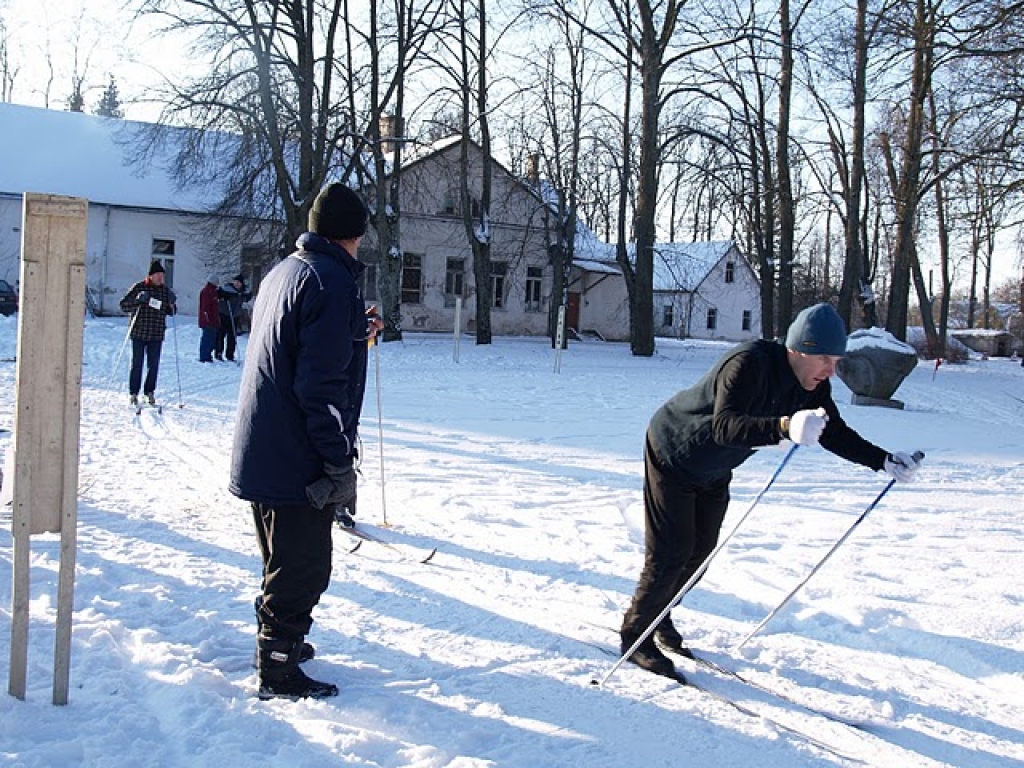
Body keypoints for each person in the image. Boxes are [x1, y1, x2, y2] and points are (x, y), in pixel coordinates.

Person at [619, 303, 923, 680]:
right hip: (675, 451)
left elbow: (834, 433)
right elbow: (726, 427)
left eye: (836, 360)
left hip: (715, 467)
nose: (831, 370)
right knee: (672, 551)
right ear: (797, 349)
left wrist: (883, 461)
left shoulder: (814, 386)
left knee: (699, 553)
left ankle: (658, 618)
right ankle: (636, 634)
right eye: (824, 358)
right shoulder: (748, 363)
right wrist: (783, 426)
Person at [229, 182, 383, 700]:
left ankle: (285, 640)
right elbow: (320, 389)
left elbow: (299, 346)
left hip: (264, 445)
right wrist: (338, 463)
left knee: (282, 558)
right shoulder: (332, 285)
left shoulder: (287, 271)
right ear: (355, 234)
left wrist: (354, 335)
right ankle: (277, 665)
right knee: (304, 566)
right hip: (297, 456)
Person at [119, 260, 177, 407]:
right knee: (137, 364)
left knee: (154, 365)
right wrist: (138, 301)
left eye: (162, 275)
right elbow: (123, 305)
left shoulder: (165, 291)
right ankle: (133, 392)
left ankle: (149, 392)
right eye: (157, 275)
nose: (160, 278)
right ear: (150, 276)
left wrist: (172, 305)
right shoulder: (139, 287)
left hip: (156, 334)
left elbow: (171, 311)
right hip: (139, 332)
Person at [215, 273, 251, 361]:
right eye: (235, 282)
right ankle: (219, 352)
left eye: (238, 282)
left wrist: (247, 296)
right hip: (224, 314)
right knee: (220, 335)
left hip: (235, 316)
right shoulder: (227, 289)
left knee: (232, 336)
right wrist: (222, 295)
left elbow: (247, 298)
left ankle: (230, 354)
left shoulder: (243, 292)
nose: (236, 284)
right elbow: (217, 294)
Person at [198, 275, 220, 363]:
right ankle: (204, 356)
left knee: (211, 338)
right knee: (207, 338)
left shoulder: (213, 291)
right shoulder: (207, 292)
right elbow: (205, 307)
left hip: (211, 320)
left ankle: (207, 355)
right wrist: (208, 318)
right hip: (208, 320)